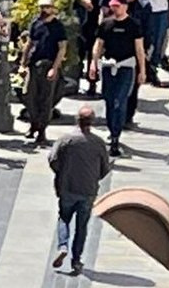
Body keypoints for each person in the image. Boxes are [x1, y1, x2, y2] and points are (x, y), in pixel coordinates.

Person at [48, 106, 113, 276]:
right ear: (92, 122)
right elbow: (105, 168)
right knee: (82, 226)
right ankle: (76, 260)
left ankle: (63, 246)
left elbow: (53, 160)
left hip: (68, 186)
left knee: (64, 217)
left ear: (77, 120)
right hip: (88, 190)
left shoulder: (66, 140)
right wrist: (93, 178)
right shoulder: (98, 143)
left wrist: (62, 174)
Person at [88, 0, 147, 156]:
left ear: (125, 6)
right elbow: (98, 45)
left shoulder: (133, 25)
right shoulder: (106, 24)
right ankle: (111, 129)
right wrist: (94, 63)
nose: (115, 9)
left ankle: (116, 134)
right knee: (108, 99)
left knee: (119, 101)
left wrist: (142, 71)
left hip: (126, 67)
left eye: (118, 6)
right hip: (109, 66)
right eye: (113, 6)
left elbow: (139, 49)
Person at [22, 0, 68, 146]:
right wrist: (23, 63)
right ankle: (34, 123)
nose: (44, 10)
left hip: (49, 64)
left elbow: (62, 49)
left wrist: (55, 68)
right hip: (34, 65)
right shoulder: (36, 23)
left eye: (47, 7)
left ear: (53, 9)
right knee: (28, 95)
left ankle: (41, 130)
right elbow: (29, 43)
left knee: (46, 99)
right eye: (42, 7)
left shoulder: (58, 27)